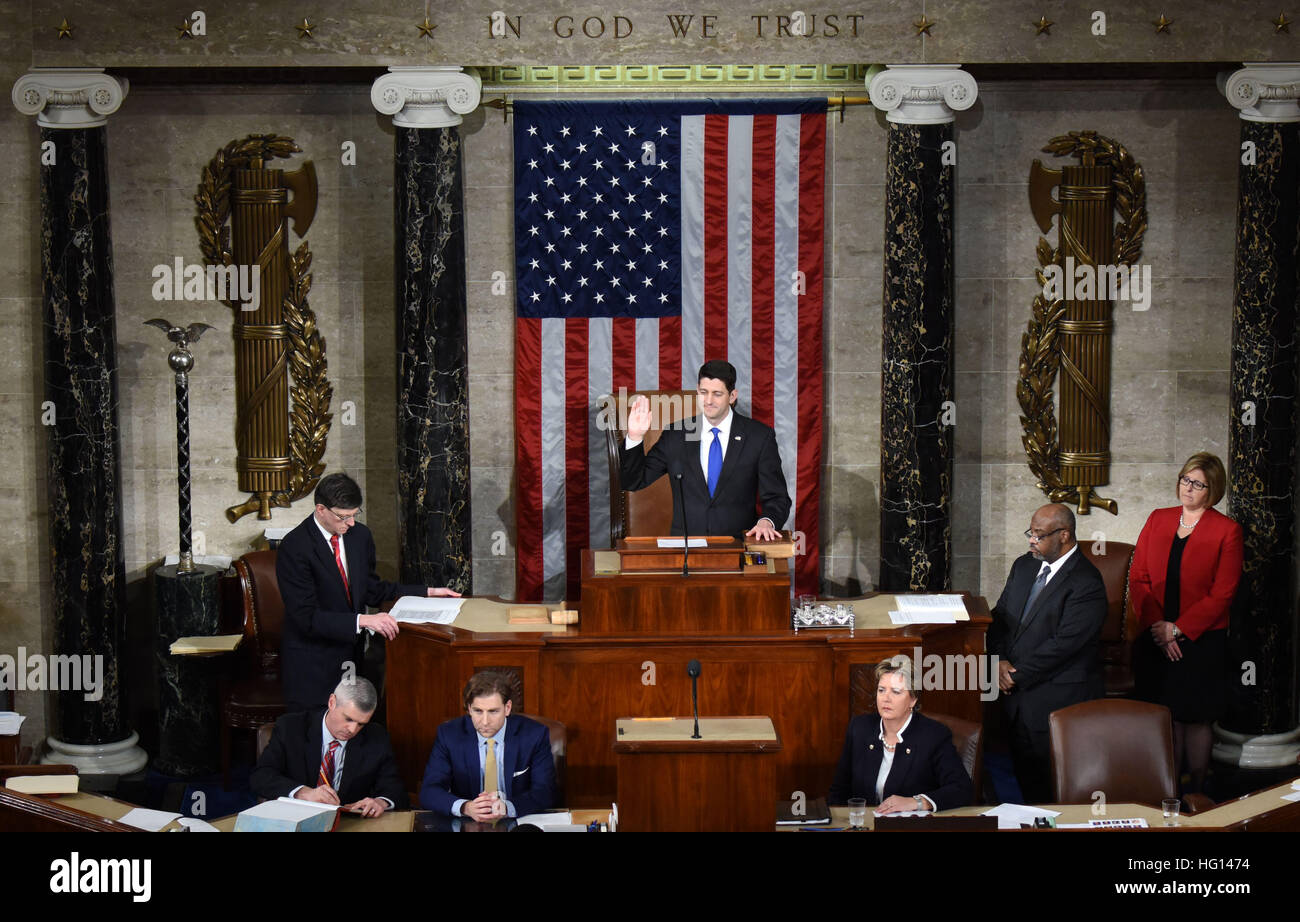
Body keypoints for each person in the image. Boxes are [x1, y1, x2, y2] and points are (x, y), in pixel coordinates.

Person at [276, 472, 461, 713]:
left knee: (355, 736)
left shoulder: (359, 536)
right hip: (312, 665)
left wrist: (427, 592)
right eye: (344, 517)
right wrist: (363, 620)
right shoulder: (294, 547)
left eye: (355, 514)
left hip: (352, 661)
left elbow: (371, 590)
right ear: (320, 509)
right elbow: (305, 617)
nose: (351, 523)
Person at [1130, 452, 1242, 795]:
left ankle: (1196, 792)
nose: (1188, 488)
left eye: (1198, 484)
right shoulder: (1158, 519)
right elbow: (1139, 578)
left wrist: (1177, 629)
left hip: (1201, 640)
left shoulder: (1227, 531)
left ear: (1213, 490)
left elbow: (1223, 594)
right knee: (1167, 715)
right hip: (1155, 634)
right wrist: (1159, 629)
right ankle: (1169, 791)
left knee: (1195, 717)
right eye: (1185, 479)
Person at [986, 503, 1107, 803]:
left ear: (1064, 535)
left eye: (1039, 535)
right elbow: (1000, 617)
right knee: (1025, 781)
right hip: (1014, 693)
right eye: (1031, 532)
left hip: (1055, 697)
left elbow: (1065, 645)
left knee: (1052, 789)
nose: (1031, 540)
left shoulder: (1087, 582)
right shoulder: (1023, 566)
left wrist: (1016, 675)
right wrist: (998, 660)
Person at [620, 359, 790, 541]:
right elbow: (633, 481)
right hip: (685, 551)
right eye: (703, 392)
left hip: (738, 549)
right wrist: (635, 437)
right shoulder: (675, 435)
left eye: (717, 394)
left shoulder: (759, 437)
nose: (708, 401)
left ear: (732, 396)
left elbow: (777, 497)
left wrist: (767, 521)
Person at [828, 656, 973, 812]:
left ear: (913, 700)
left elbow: (962, 789)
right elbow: (839, 790)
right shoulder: (860, 728)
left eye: (896, 692)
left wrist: (916, 802)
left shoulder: (934, 736)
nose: (886, 698)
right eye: (881, 690)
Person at [250, 678, 407, 817]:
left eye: (361, 724)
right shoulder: (291, 728)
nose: (352, 730)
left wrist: (380, 802)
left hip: (347, 824)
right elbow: (261, 776)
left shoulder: (376, 737)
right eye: (348, 719)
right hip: (296, 818)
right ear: (332, 702)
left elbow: (394, 787)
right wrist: (303, 792)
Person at [418, 671, 557, 821]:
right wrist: (465, 807)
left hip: (516, 820)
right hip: (468, 822)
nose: (485, 722)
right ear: (469, 708)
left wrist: (507, 807)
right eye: (478, 711)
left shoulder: (534, 735)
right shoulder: (449, 735)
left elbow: (545, 791)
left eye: (493, 711)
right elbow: (429, 791)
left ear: (507, 708)